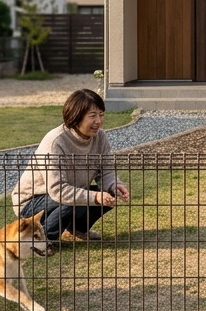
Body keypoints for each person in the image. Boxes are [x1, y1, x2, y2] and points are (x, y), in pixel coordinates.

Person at [12, 89, 129, 242]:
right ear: (76, 117)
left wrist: (115, 185)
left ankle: (76, 230)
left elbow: (106, 173)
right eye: (92, 116)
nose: (99, 121)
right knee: (70, 200)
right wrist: (95, 196)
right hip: (32, 201)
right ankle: (44, 239)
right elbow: (57, 190)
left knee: (107, 193)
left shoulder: (100, 137)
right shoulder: (56, 141)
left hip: (65, 193)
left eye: (101, 114)